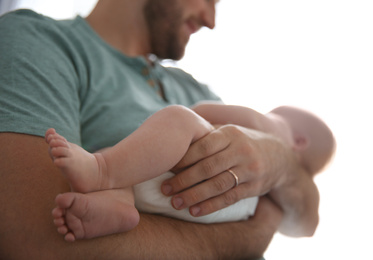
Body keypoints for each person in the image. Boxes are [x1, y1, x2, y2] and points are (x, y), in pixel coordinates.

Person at [0, 0, 321, 259]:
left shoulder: (201, 93)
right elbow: (37, 241)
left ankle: (106, 175)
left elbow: (306, 223)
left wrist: (278, 160)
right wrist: (249, 239)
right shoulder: (38, 43)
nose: (211, 20)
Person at [45, 103, 335, 242]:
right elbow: (303, 228)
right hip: (218, 213)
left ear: (298, 141)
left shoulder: (272, 131)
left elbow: (205, 112)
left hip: (184, 174)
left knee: (179, 118)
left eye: (277, 112)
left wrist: (187, 118)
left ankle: (101, 171)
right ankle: (120, 205)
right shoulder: (270, 191)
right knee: (131, 173)